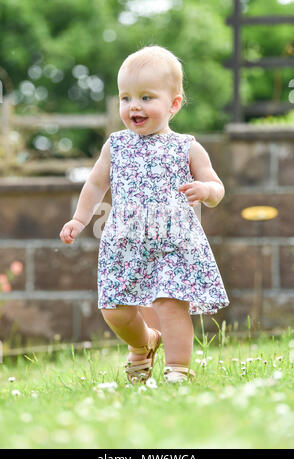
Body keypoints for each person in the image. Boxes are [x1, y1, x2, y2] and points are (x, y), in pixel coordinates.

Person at [60, 45, 229, 385]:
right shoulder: (116, 145)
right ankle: (144, 343)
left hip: (173, 242)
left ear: (174, 104)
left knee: (169, 303)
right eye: (126, 98)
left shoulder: (187, 146)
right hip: (125, 242)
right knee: (115, 309)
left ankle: (178, 369)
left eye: (146, 97)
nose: (133, 106)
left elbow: (216, 186)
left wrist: (207, 191)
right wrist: (79, 219)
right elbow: (95, 184)